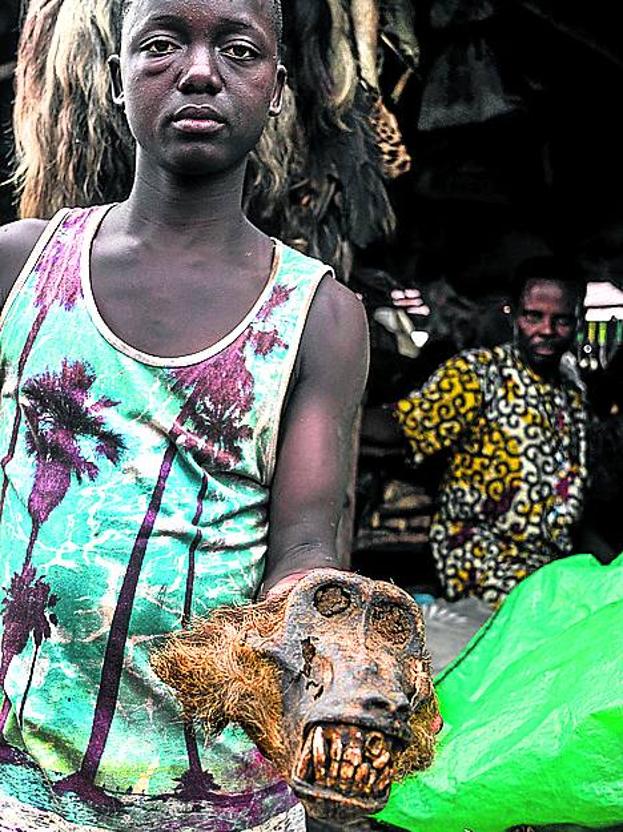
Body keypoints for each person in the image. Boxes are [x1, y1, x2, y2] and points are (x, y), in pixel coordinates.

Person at [0, 0, 368, 829]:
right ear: (115, 72)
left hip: (226, 797)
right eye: (162, 43)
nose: (199, 71)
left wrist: (333, 653)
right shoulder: (21, 267)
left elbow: (305, 541)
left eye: (238, 49)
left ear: (275, 87)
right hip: (21, 789)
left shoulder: (317, 315)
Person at [393, 257, 588, 608]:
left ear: (578, 321)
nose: (546, 329)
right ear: (513, 315)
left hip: (548, 566)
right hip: (482, 561)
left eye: (561, 320)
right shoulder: (478, 374)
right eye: (534, 316)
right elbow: (402, 428)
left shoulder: (571, 391)